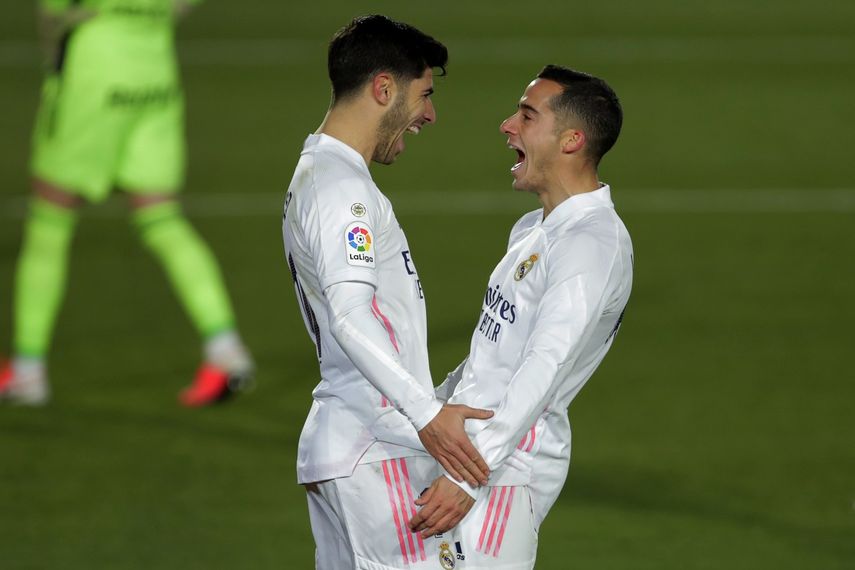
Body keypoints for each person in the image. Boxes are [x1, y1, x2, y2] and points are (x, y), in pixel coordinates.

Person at [282, 15, 495, 570]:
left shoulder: (325, 176)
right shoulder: (340, 189)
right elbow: (352, 314)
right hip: (373, 448)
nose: (430, 114)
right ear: (383, 88)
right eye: (424, 94)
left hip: (353, 444)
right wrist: (427, 413)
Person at [409, 65, 633, 569]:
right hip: (471, 457)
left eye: (527, 115)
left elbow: (546, 364)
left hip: (506, 469)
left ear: (572, 140)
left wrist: (470, 474)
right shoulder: (536, 228)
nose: (507, 125)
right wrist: (430, 407)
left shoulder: (592, 245)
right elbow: (493, 354)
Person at [0, 0, 253, 407]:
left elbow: (52, 11)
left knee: (50, 218)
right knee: (162, 217)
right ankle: (226, 349)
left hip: (96, 67)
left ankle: (28, 370)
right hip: (154, 68)